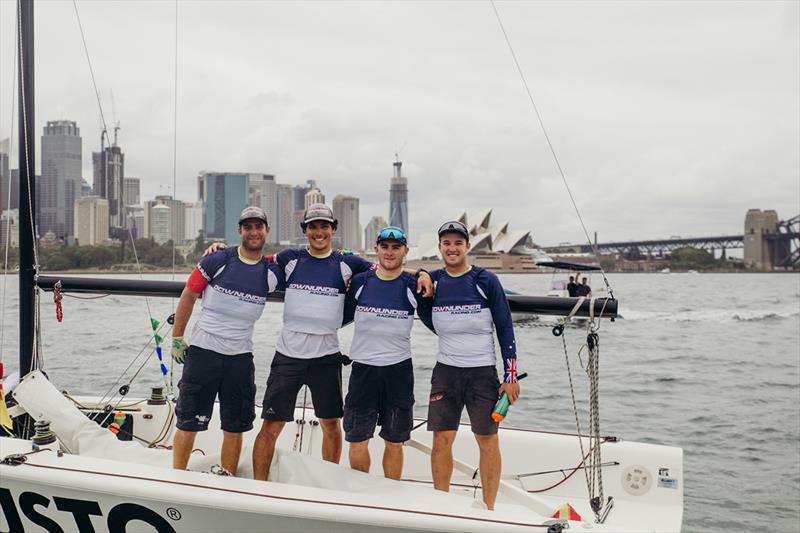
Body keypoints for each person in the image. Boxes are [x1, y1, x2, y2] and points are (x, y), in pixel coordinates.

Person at [204, 204, 432, 481]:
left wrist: (422, 272)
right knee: (271, 426)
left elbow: (388, 268)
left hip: (327, 356)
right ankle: (260, 486)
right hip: (288, 355)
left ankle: (328, 483)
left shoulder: (349, 263)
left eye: (325, 226)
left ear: (333, 230)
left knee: (331, 426)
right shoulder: (290, 258)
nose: (319, 232)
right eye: (313, 227)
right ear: (306, 231)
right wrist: (222, 250)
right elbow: (251, 257)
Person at [170, 206, 279, 475]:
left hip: (240, 358)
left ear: (266, 231)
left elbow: (310, 265)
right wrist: (176, 338)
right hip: (203, 354)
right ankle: (175, 478)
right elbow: (188, 295)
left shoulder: (272, 271)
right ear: (239, 231)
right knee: (188, 422)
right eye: (248, 227)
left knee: (235, 426)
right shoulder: (217, 259)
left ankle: (227, 480)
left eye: (258, 227)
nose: (253, 232)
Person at [423, 220, 521, 511]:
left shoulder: (485, 280)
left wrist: (510, 376)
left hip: (482, 373)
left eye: (458, 243)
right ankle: (442, 504)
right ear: (440, 247)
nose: (452, 248)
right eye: (446, 243)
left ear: (467, 246)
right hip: (446, 372)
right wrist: (422, 273)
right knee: (441, 439)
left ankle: (489, 507)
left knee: (487, 440)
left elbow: (505, 329)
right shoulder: (434, 281)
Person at [341, 227, 433, 479]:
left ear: (405, 251)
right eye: (385, 247)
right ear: (376, 250)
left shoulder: (413, 285)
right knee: (357, 439)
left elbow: (437, 324)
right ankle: (361, 494)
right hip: (363, 370)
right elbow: (337, 316)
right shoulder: (360, 282)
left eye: (395, 247)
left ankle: (389, 495)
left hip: (398, 371)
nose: (390, 252)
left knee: (394, 441)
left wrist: (424, 272)